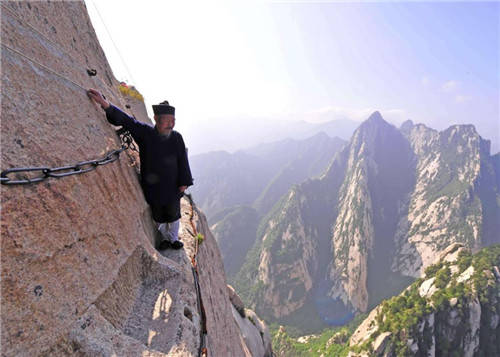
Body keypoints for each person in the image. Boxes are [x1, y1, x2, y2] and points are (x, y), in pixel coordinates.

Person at [87, 88, 193, 250]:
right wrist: (104, 104)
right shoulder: (145, 132)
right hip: (153, 185)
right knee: (158, 214)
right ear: (156, 119)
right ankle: (165, 238)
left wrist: (184, 182)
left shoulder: (177, 137)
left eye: (173, 120)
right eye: (167, 120)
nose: (171, 124)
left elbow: (182, 160)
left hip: (172, 185)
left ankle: (173, 239)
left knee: (173, 214)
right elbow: (127, 121)